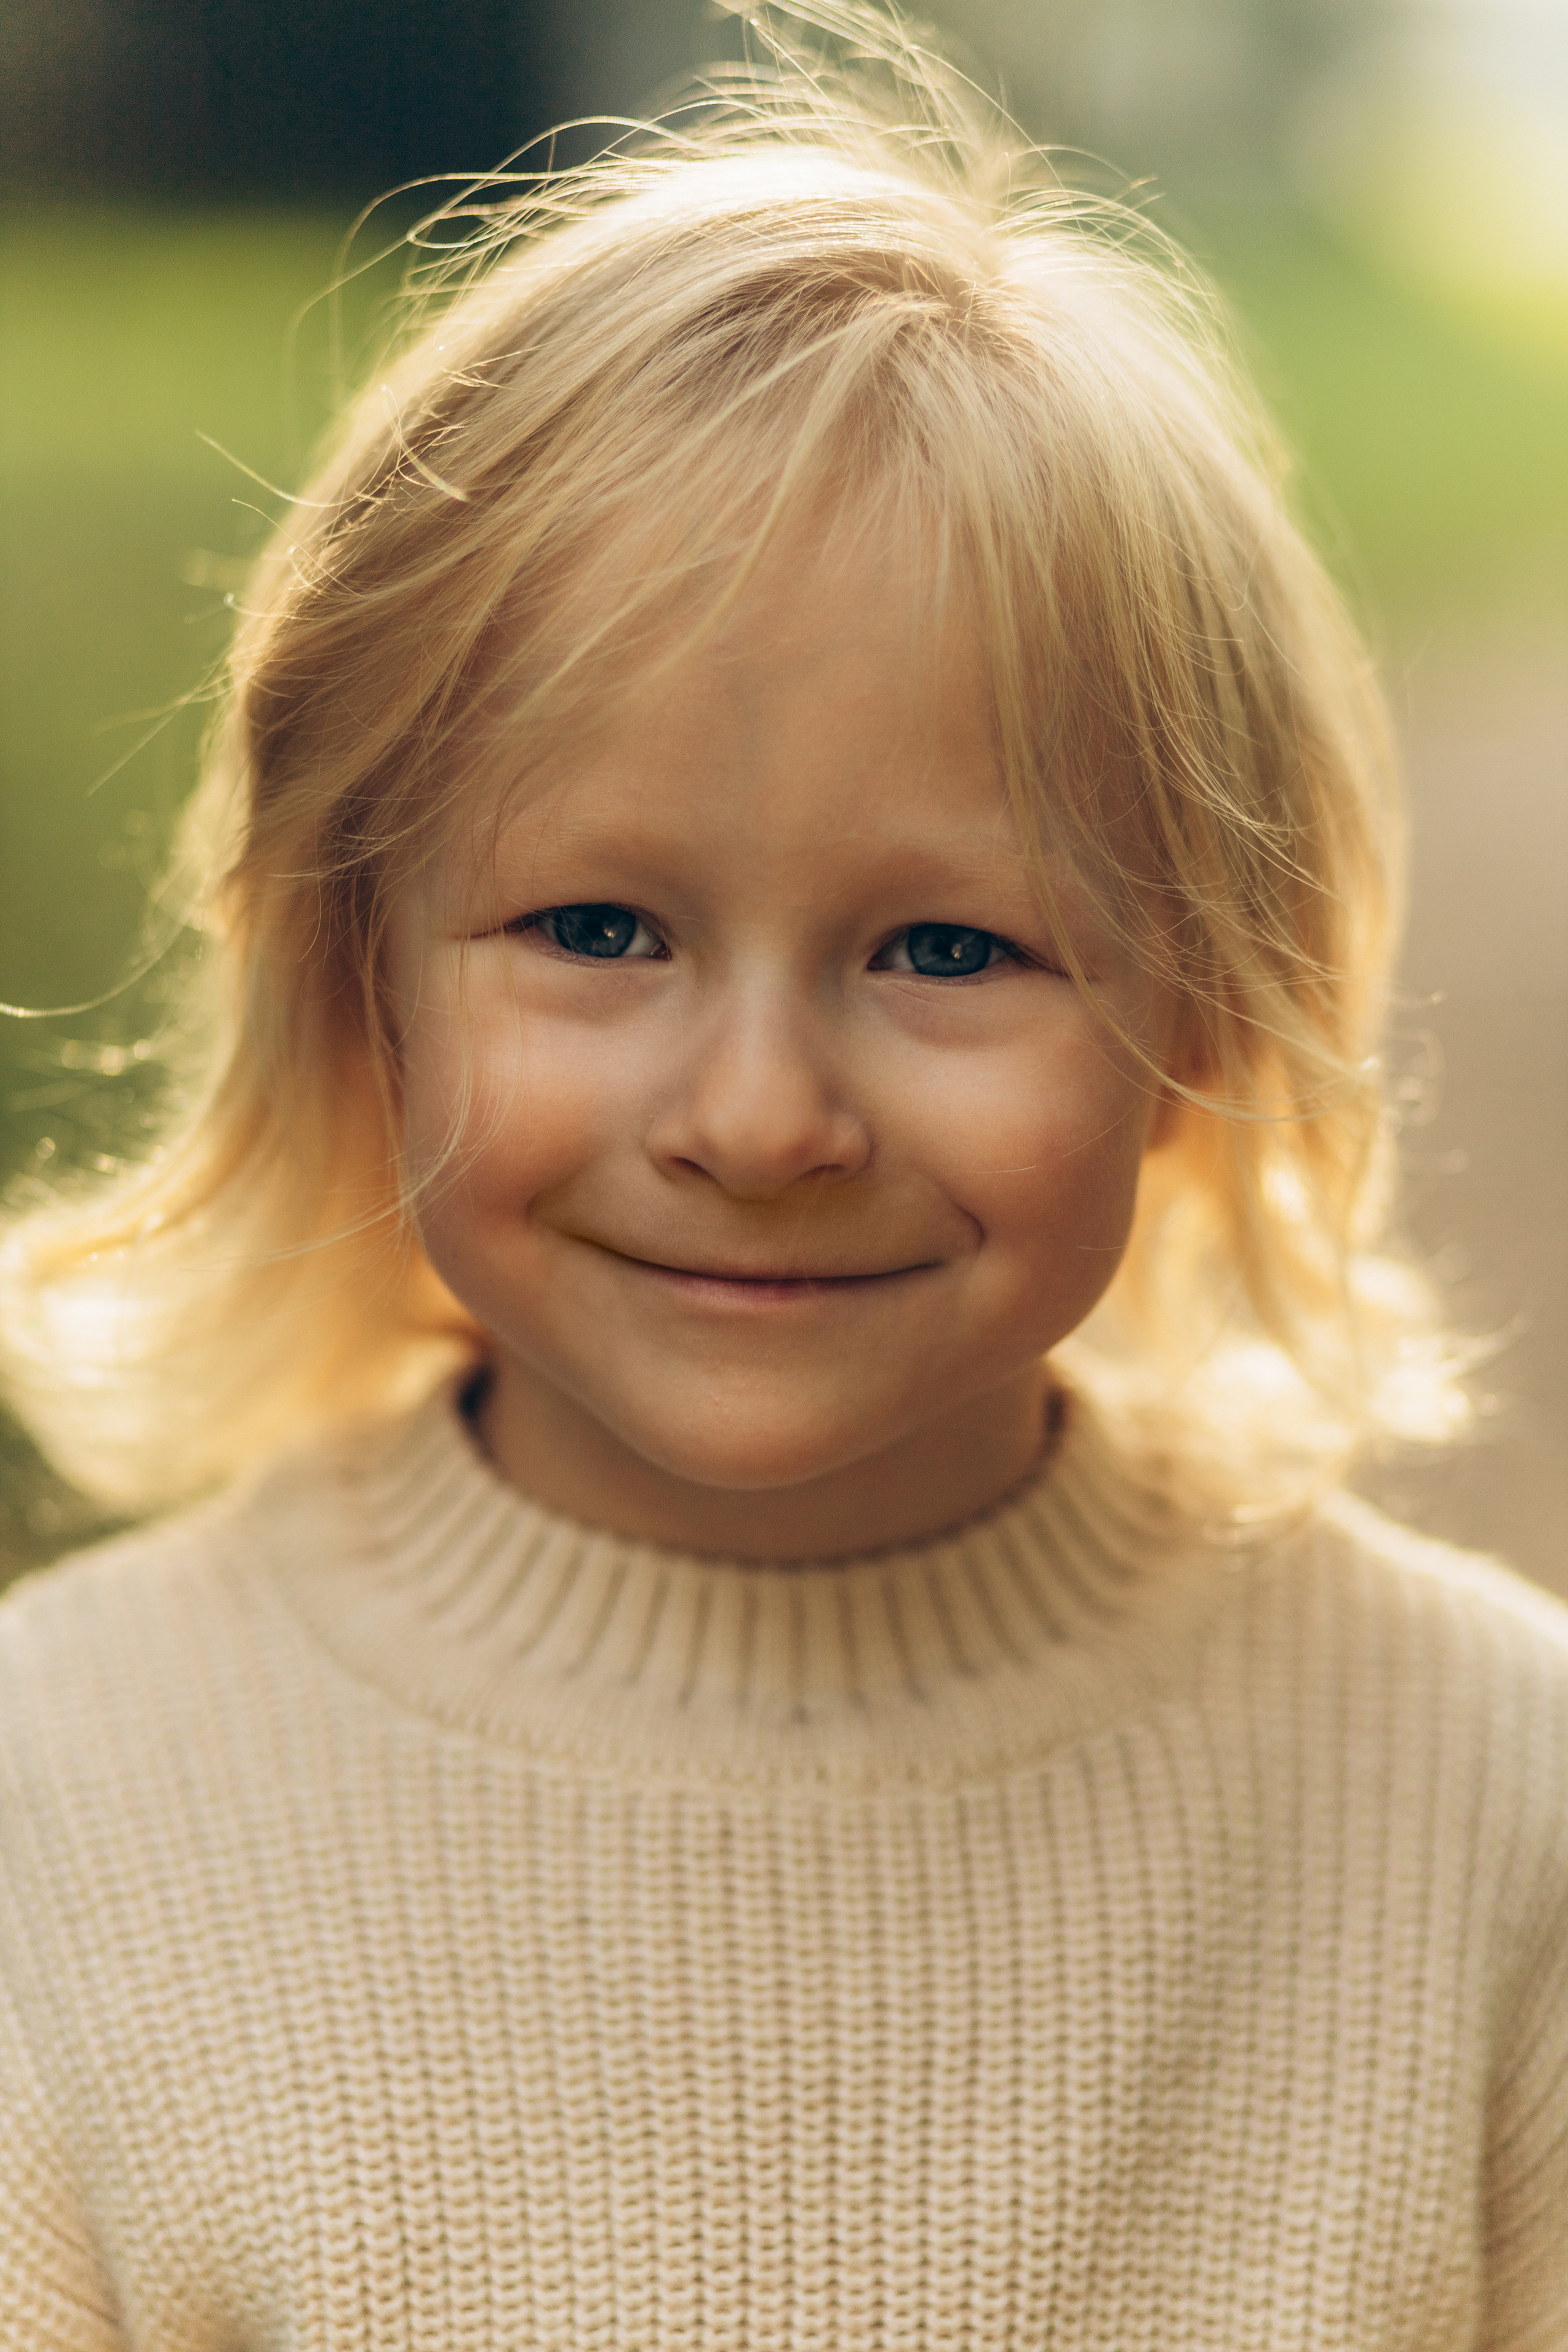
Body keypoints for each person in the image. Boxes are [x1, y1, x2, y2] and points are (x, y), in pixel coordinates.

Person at [1, 6, 1564, 2344]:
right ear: (357, 968)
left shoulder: (1488, 1808)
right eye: (599, 929)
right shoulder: (67, 1799)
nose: (758, 1117)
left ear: (1207, 1020)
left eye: (950, 947)